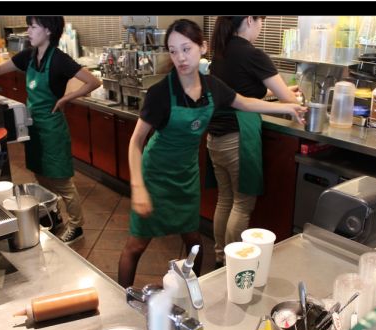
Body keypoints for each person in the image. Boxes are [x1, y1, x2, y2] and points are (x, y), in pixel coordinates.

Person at [117, 19, 306, 288]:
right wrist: (138, 187)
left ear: (203, 47)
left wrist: (286, 107)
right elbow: (136, 142)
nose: (181, 58)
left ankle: (192, 293)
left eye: (186, 49)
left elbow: (244, 103)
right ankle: (123, 298)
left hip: (186, 176)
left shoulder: (212, 86)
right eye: (173, 51)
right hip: (155, 175)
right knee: (136, 245)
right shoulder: (160, 93)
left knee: (194, 241)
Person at [0, 16, 101, 244]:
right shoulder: (29, 55)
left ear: (48, 30)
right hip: (34, 127)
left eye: (33, 27)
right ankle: (54, 216)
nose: (28, 31)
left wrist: (66, 98)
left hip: (53, 129)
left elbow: (93, 82)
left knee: (62, 182)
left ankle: (77, 226)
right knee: (40, 176)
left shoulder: (59, 59)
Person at [207, 16, 301, 269]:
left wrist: (279, 93)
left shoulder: (222, 50)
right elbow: (287, 99)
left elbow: (244, 91)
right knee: (242, 204)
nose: (262, 26)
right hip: (237, 137)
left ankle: (220, 257)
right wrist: (292, 97)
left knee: (225, 200)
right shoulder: (252, 54)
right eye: (261, 20)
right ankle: (233, 264)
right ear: (249, 19)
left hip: (215, 137)